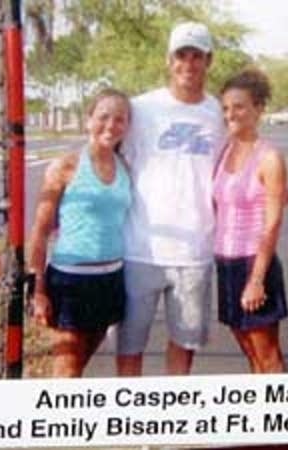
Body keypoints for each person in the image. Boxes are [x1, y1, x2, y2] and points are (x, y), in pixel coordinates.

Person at [116, 22, 226, 376]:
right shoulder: (140, 109)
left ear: (209, 61)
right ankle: (129, 425)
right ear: (169, 60)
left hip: (194, 252)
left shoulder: (219, 113)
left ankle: (173, 423)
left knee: (184, 344)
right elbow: (106, 153)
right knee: (130, 346)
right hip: (140, 248)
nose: (189, 64)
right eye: (182, 55)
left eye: (197, 56)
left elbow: (236, 161)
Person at [28, 88, 132, 377]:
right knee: (67, 371)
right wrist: (37, 290)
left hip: (110, 280)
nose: (110, 125)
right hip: (70, 283)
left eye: (120, 119)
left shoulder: (125, 167)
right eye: (103, 117)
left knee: (82, 365)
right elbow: (39, 231)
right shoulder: (65, 167)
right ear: (88, 120)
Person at [213, 69, 288, 373]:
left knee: (268, 357)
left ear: (258, 109)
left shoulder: (269, 157)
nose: (230, 114)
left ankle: (281, 417)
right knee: (250, 353)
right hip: (227, 263)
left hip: (254, 264)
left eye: (239, 106)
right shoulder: (225, 149)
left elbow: (272, 224)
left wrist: (257, 280)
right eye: (226, 108)